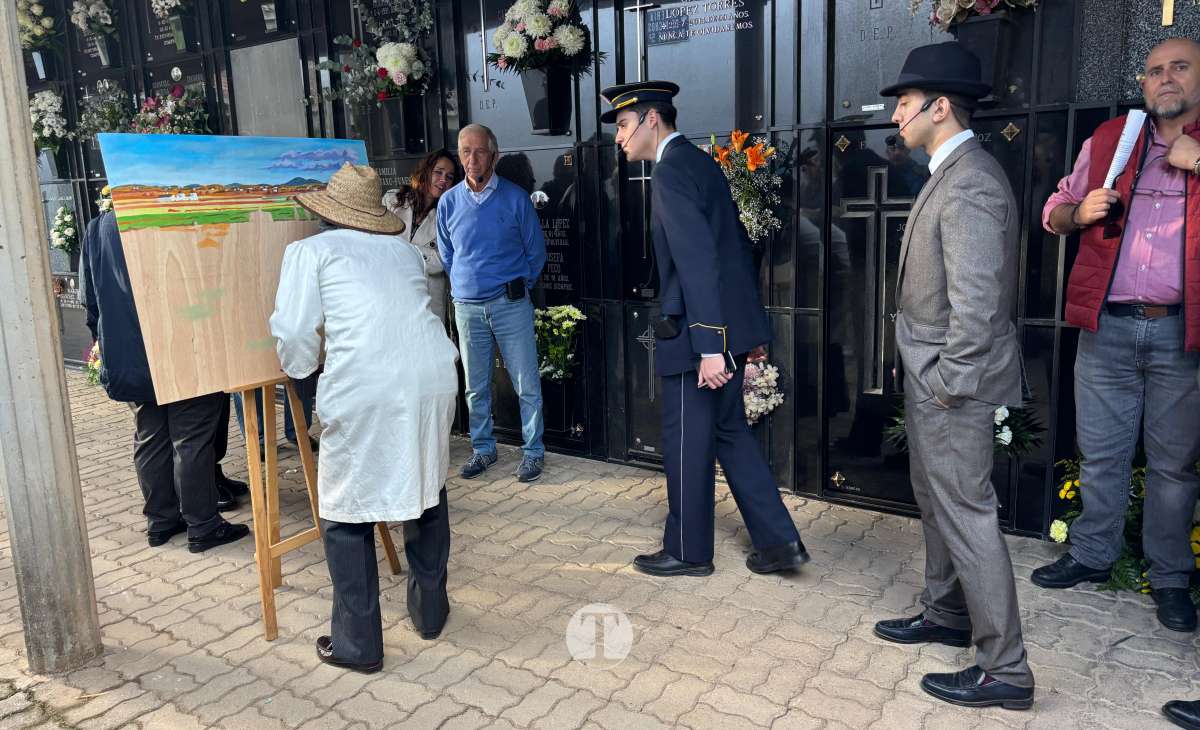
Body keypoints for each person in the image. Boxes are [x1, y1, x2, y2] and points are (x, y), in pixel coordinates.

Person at [871, 43, 1035, 709]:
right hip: (937, 378)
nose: (896, 118)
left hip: (955, 387)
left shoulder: (969, 181)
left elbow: (979, 304)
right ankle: (946, 613)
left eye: (904, 104)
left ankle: (1007, 670)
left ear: (940, 107)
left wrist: (946, 381)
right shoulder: (951, 171)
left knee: (967, 514)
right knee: (937, 501)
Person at [598, 81, 808, 578]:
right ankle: (779, 544)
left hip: (698, 339)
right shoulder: (697, 162)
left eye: (624, 125)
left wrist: (712, 347)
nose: (619, 137)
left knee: (687, 442)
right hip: (721, 328)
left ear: (652, 119)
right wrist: (740, 334)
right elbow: (733, 255)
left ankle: (690, 552)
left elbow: (699, 263)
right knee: (730, 433)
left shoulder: (671, 172)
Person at [1033, 37, 1200, 635]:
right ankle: (1091, 555)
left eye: (1180, 67)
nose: (1166, 79)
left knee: (1173, 466)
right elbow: (1054, 209)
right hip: (1107, 326)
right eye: (1155, 71)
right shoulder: (1110, 142)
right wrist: (1078, 215)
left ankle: (1171, 577)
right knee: (1100, 453)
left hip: (1182, 334)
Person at [271, 163, 459, 673]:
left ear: (328, 215)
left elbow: (293, 335)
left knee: (345, 514)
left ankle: (358, 645)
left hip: (369, 386)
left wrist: (302, 369)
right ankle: (430, 615)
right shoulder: (402, 252)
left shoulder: (310, 251)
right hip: (433, 378)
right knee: (425, 490)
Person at [82, 210, 249, 552]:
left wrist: (108, 338)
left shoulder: (99, 226)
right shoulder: (170, 216)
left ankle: (161, 521)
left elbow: (90, 298)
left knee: (151, 436)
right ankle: (202, 526)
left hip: (131, 352)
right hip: (185, 346)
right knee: (191, 439)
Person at [437, 124, 547, 483]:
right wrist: (466, 285)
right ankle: (483, 449)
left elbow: (535, 253)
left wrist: (514, 286)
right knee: (475, 385)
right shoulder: (450, 202)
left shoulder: (515, 198)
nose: (472, 159)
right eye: (465, 151)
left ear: (494, 156)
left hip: (509, 305)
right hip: (468, 308)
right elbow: (448, 254)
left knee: (525, 382)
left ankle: (533, 452)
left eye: (479, 151)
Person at [384, 149, 458, 327]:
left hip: (427, 298)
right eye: (438, 172)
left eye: (449, 177)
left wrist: (403, 250)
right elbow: (376, 244)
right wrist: (422, 253)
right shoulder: (392, 201)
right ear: (426, 171)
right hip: (389, 291)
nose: (443, 180)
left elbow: (442, 261)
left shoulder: (451, 215)